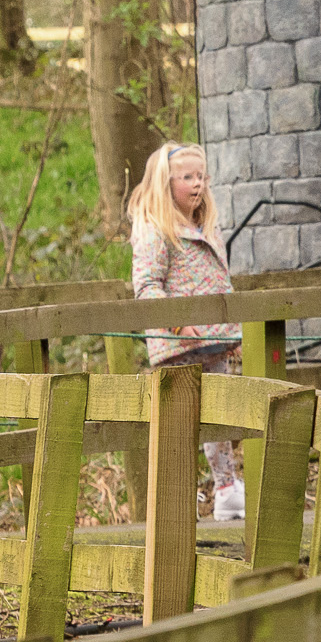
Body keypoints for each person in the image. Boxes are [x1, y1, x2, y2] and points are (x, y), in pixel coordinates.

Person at [129, 141, 245, 527]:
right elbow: (147, 285)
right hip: (179, 346)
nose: (198, 185)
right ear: (166, 183)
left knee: (220, 416)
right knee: (181, 423)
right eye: (188, 177)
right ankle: (180, 497)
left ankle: (227, 490)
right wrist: (178, 323)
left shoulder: (205, 225)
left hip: (213, 341)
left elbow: (219, 280)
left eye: (202, 177)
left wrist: (229, 326)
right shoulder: (154, 229)